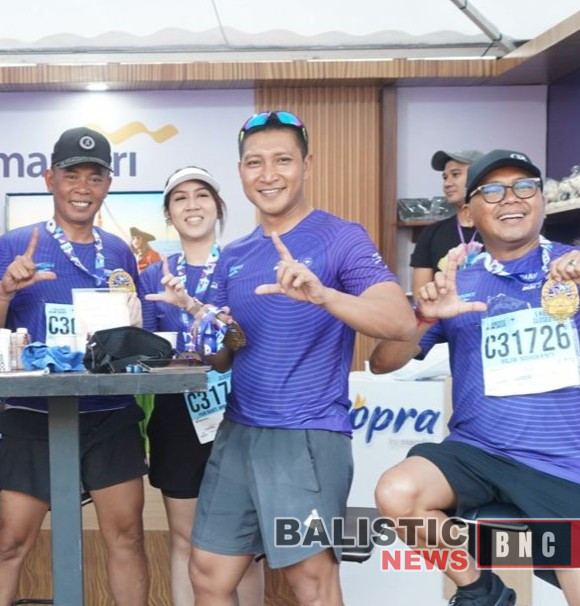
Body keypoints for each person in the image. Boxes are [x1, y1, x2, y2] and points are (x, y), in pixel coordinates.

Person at [151, 111, 413, 606]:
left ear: (306, 165)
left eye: (282, 160)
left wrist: (324, 295)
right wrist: (208, 325)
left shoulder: (340, 237)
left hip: (306, 435)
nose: (268, 174)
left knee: (311, 584)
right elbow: (224, 359)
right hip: (238, 433)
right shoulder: (234, 255)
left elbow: (399, 322)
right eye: (255, 162)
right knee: (207, 574)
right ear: (240, 172)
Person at [371, 149, 580, 606]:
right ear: (468, 212)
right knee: (397, 491)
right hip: (478, 455)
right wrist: (424, 316)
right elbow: (383, 363)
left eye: (524, 187)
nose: (511, 198)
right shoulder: (458, 280)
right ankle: (482, 591)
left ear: (541, 201)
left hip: (564, 471)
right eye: (493, 191)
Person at [0, 126, 150, 606]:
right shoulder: (14, 245)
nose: (82, 187)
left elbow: (134, 335)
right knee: (10, 543)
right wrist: (3, 292)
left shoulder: (118, 252)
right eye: (72, 175)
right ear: (50, 179)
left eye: (95, 177)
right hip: (34, 414)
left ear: (108, 184)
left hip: (109, 412)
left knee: (128, 536)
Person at [138, 166, 263, 606]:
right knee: (184, 537)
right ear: (168, 213)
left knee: (244, 545)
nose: (192, 205)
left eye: (202, 195)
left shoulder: (242, 265)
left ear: (219, 206)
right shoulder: (153, 275)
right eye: (180, 198)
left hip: (242, 413)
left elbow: (251, 341)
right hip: (178, 418)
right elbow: (148, 352)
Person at [410, 150, 483, 295]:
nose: (447, 184)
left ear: (480, 177)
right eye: (445, 177)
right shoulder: (431, 234)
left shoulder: (500, 230)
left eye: (455, 174)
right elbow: (420, 296)